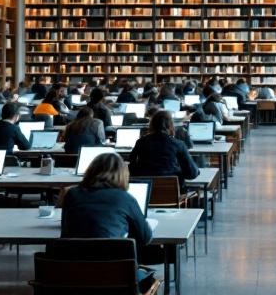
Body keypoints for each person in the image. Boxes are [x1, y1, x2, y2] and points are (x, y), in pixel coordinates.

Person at [60, 152, 157, 289]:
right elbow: (145, 238)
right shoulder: (125, 198)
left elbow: (65, 232)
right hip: (115, 277)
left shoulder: (72, 195)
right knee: (146, 275)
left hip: (72, 274)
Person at [128, 111, 200, 189]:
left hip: (145, 192)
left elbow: (131, 167)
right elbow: (192, 173)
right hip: (172, 192)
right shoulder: (178, 144)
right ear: (171, 126)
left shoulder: (141, 142)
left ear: (152, 125)